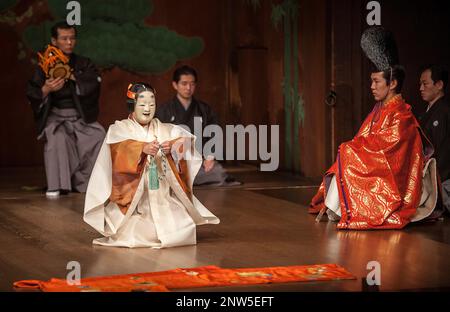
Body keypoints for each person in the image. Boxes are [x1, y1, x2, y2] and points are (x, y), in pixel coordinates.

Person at [309, 26, 440, 230]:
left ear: (393, 83)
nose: (372, 86)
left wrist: (355, 150)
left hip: (397, 182)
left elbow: (393, 156)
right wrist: (355, 148)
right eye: (371, 81)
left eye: (376, 81)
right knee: (347, 150)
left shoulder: (402, 116)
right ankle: (339, 205)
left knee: (349, 151)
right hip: (376, 168)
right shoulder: (378, 110)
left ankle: (345, 207)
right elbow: (366, 140)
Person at [84, 83, 219, 248]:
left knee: (183, 230)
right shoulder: (119, 129)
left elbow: (186, 141)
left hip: (163, 198)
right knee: (135, 235)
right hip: (134, 203)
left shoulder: (165, 128)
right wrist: (141, 149)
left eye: (152, 104)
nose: (147, 108)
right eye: (142, 104)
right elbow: (118, 151)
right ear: (132, 105)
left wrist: (173, 146)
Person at [26, 21, 105, 198]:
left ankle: (84, 183)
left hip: (79, 117)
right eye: (64, 38)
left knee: (98, 135)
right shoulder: (44, 66)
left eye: (72, 38)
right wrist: (47, 89)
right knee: (56, 138)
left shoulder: (84, 63)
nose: (69, 42)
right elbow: (32, 90)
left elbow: (94, 83)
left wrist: (72, 76)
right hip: (56, 117)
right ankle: (58, 186)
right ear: (54, 41)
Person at [156, 65, 240, 186]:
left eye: (192, 84)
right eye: (184, 84)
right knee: (163, 172)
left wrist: (210, 157)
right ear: (175, 85)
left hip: (199, 161)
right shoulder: (165, 110)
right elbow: (157, 136)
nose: (188, 88)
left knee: (217, 172)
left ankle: (182, 181)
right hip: (174, 161)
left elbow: (214, 133)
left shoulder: (204, 109)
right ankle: (180, 179)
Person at [418, 65, 450, 212]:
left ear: (439, 85)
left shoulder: (443, 111)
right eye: (420, 84)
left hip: (441, 179)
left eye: (425, 84)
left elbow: (441, 150)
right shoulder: (429, 111)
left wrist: (435, 182)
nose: (421, 88)